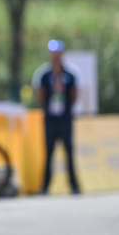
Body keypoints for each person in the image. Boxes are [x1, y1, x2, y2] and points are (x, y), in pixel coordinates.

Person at [35, 39, 80, 195]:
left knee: (69, 152)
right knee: (49, 153)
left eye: (58, 54)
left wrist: (66, 109)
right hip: (51, 119)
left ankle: (74, 186)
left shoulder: (69, 74)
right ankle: (45, 187)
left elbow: (74, 95)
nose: (56, 57)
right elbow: (40, 95)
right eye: (53, 54)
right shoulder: (44, 74)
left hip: (65, 119)